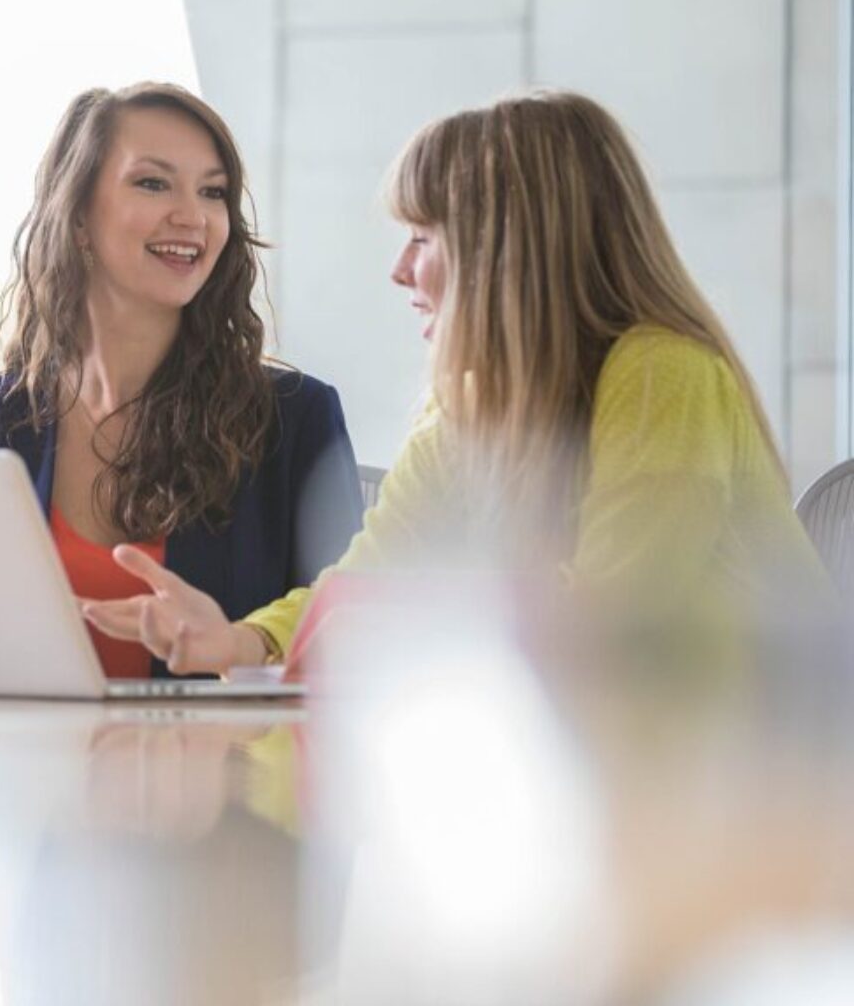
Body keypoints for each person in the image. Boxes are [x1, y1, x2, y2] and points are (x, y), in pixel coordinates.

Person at [85, 89, 832, 674]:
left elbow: (612, 625)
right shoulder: (467, 406)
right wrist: (239, 642)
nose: (400, 271)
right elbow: (364, 579)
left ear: (508, 246)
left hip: (763, 797)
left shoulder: (662, 373)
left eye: (422, 237)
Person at [0, 83, 363, 677]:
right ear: (78, 216)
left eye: (213, 193)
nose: (193, 216)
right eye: (153, 183)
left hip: (230, 768)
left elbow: (351, 636)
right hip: (25, 767)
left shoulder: (295, 419)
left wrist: (240, 644)